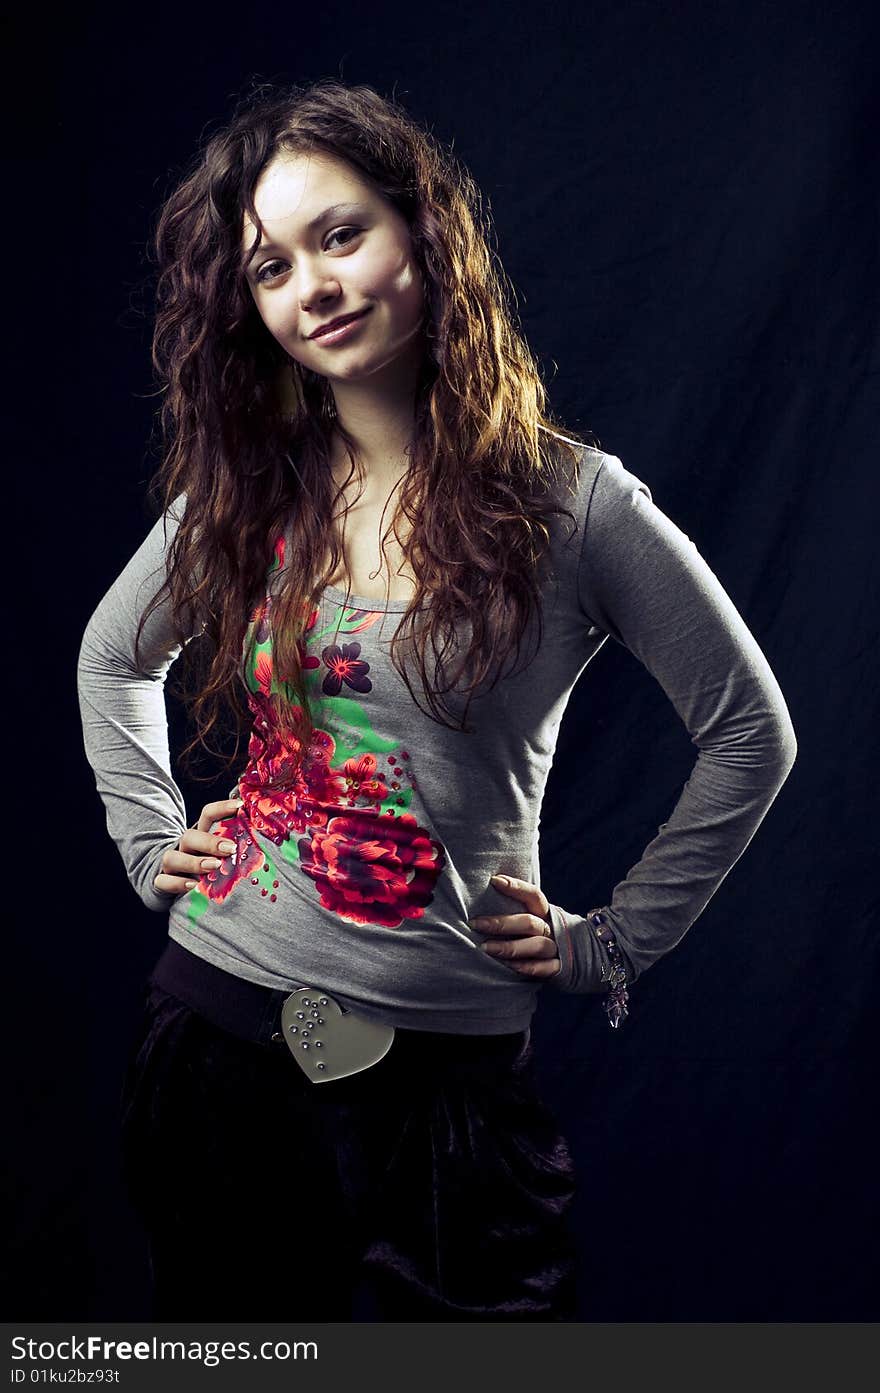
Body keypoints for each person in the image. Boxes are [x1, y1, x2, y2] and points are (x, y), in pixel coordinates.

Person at [77, 78, 797, 1323]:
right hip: (218, 1040)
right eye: (269, 267)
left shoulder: (576, 505)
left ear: (425, 230)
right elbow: (112, 658)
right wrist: (149, 838)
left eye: (340, 233)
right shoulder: (248, 493)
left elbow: (750, 730)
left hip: (451, 1093)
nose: (314, 284)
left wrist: (611, 941)